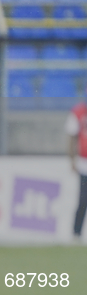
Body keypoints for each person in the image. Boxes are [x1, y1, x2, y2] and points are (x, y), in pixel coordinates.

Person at [66, 93, 87, 241]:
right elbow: (71, 136)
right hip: (84, 163)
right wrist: (72, 159)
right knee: (83, 199)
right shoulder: (78, 112)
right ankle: (76, 233)